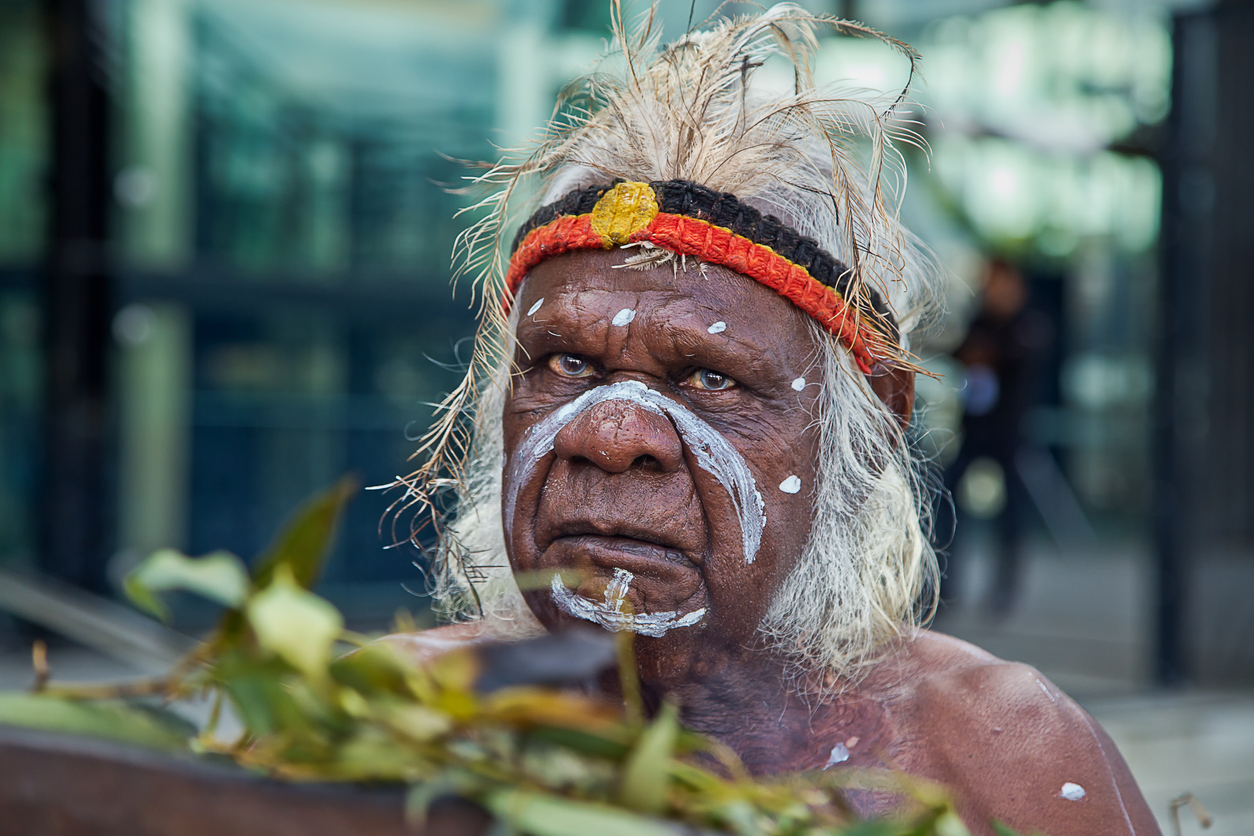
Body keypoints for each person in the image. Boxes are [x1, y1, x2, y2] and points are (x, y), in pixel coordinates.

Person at [384, 7, 1159, 835]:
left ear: (875, 426)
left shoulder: (1004, 762)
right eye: (566, 365)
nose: (607, 436)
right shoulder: (374, 726)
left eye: (709, 377)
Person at [938, 258, 1052, 613]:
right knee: (947, 504)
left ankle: (1004, 590)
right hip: (974, 433)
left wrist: (990, 354)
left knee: (1011, 515)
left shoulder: (1026, 326)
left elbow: (1022, 354)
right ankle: (944, 588)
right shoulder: (980, 323)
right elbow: (960, 352)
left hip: (1010, 437)